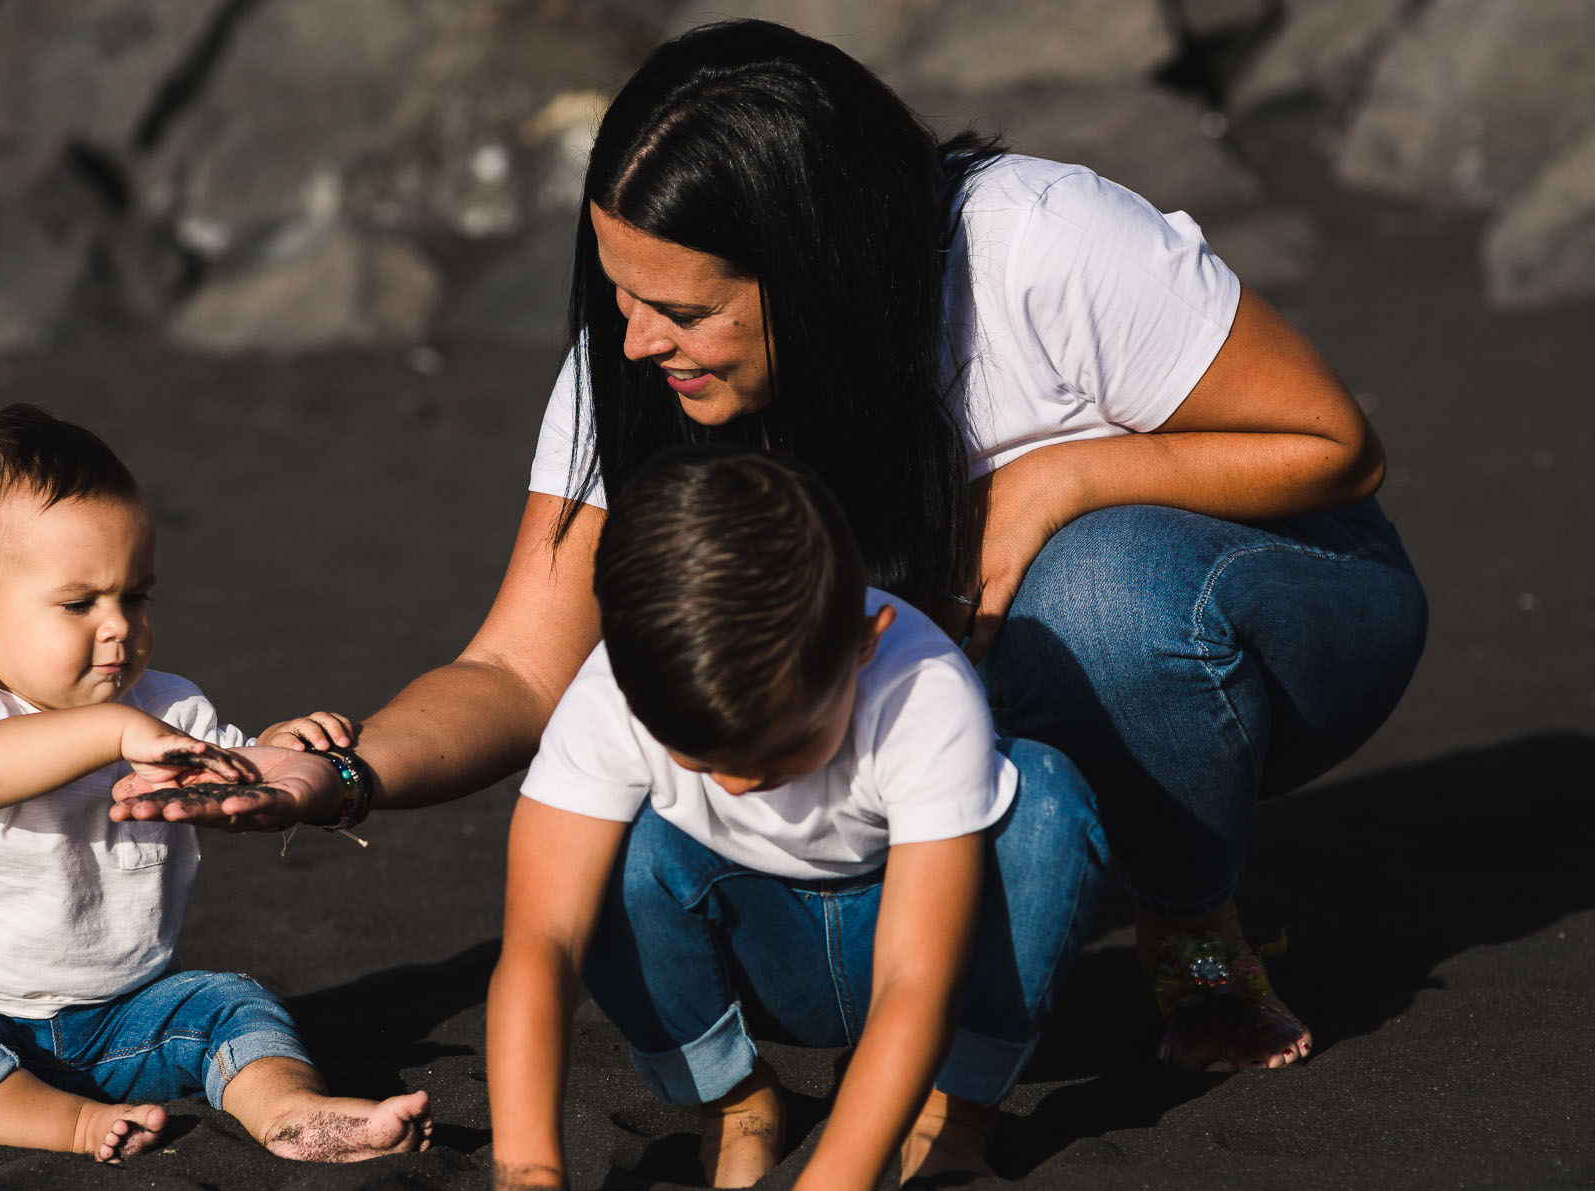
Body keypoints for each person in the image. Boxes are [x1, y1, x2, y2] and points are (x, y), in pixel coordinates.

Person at [115, 20, 1427, 1076]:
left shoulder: (1031, 243)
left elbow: (1330, 444)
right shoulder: (640, 364)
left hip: (1287, 608)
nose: (633, 341)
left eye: (679, 307)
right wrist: (335, 773)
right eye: (616, 293)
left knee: (1102, 587)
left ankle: (1196, 935)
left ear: (817, 269)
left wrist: (1061, 477)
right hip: (1006, 695)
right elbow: (519, 673)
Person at [487, 446, 1104, 1191]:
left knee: (1047, 807)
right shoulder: (616, 692)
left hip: (912, 940)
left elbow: (915, 980)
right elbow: (541, 942)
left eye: (781, 751)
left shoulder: (920, 686)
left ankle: (951, 1113)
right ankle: (734, 1099)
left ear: (862, 642)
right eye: (703, 761)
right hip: (753, 946)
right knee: (608, 852)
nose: (741, 783)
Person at [0, 404, 430, 1164]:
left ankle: (293, 1111)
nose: (118, 625)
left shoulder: (168, 705)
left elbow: (233, 772)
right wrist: (108, 731)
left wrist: (276, 753)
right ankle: (64, 1123)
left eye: (136, 595)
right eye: (80, 603)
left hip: (121, 1018)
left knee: (230, 999)